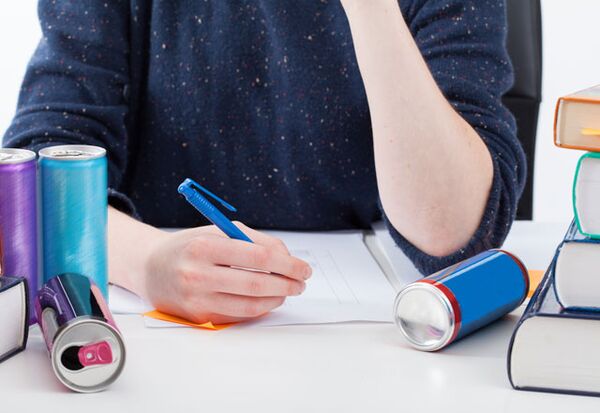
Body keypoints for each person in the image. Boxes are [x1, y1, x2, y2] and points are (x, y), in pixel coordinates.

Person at [3, 0, 525, 324]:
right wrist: (147, 263)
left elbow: (453, 233)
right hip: (158, 337)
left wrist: (372, 9)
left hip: (371, 341)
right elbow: (33, 175)